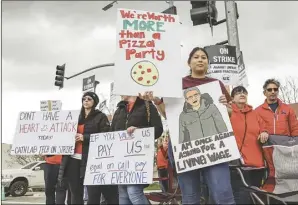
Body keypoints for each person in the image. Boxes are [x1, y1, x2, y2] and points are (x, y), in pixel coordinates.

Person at [140, 47, 235, 204]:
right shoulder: (177, 84)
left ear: (208, 62)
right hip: (184, 147)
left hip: (215, 146)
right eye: (196, 57)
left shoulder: (216, 84)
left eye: (203, 57)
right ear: (189, 62)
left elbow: (229, 114)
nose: (200, 60)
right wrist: (157, 101)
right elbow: (167, 114)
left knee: (223, 192)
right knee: (190, 196)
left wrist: (226, 106)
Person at [58, 92, 118, 204]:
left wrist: (84, 137)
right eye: (84, 99)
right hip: (73, 159)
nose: (86, 101)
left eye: (89, 99)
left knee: (93, 193)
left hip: (91, 160)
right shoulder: (75, 117)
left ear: (94, 102)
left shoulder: (101, 117)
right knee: (75, 192)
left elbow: (105, 136)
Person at [111, 95, 163, 205]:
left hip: (139, 158)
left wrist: (140, 131)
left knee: (134, 191)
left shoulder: (147, 106)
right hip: (121, 159)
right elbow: (111, 133)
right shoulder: (119, 109)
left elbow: (158, 130)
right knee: (123, 193)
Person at [229, 86, 268, 204]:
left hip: (257, 164)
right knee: (241, 196)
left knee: (255, 196)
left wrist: (264, 132)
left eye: (244, 92)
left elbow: (263, 128)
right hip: (237, 165)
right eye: (238, 92)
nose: (242, 94)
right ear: (232, 98)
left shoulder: (255, 113)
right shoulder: (228, 113)